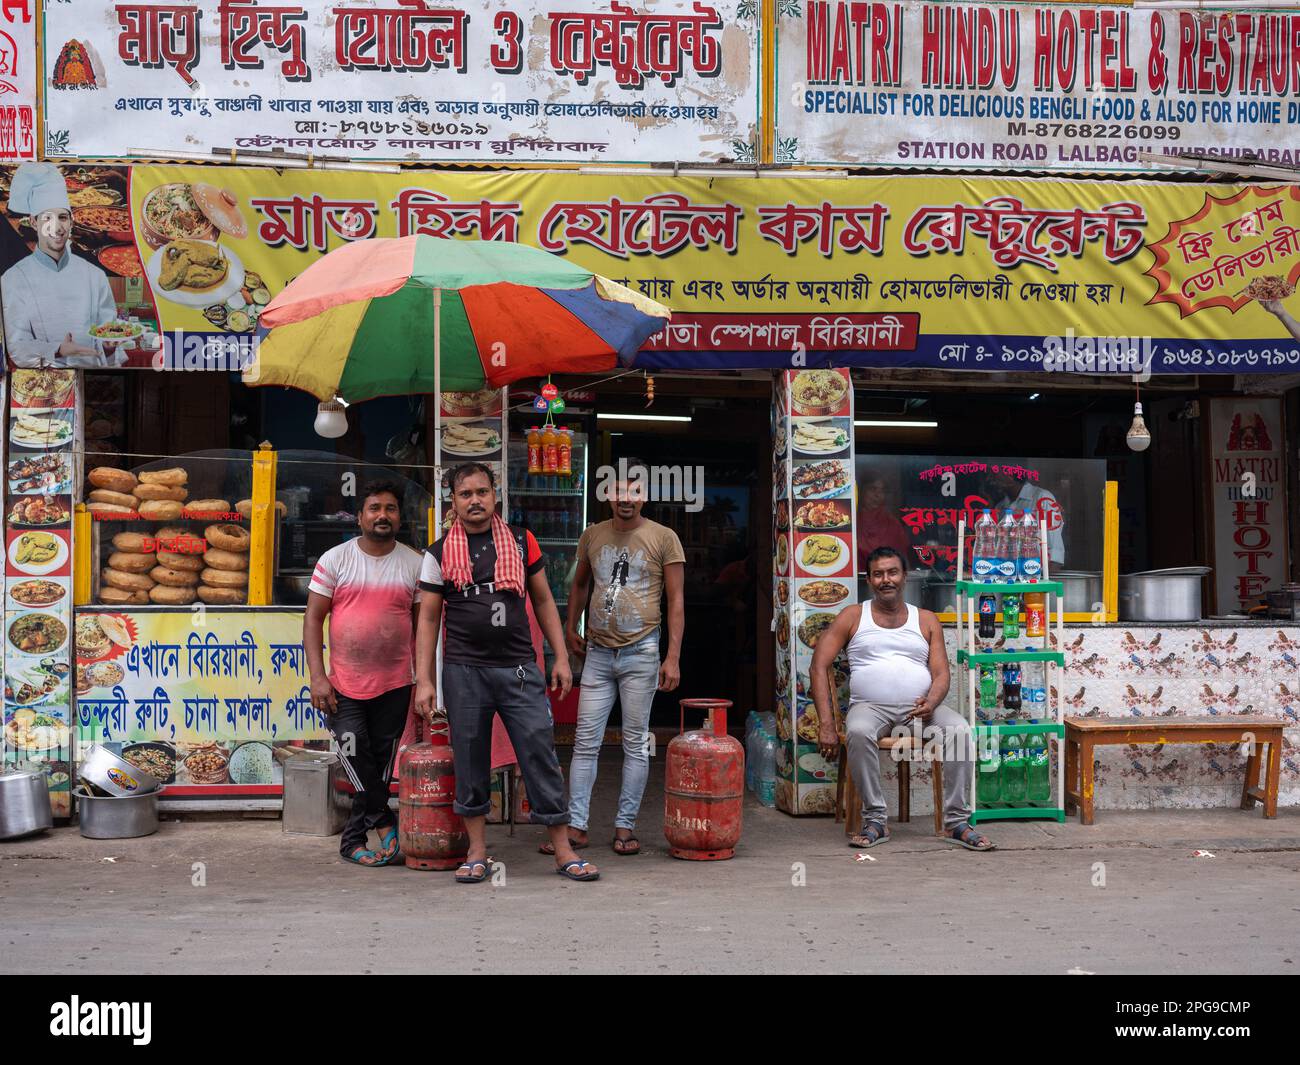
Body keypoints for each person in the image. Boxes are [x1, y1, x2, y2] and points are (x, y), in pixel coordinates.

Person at [414, 463, 597, 883]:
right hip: (464, 672)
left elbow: (545, 601)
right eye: (465, 494)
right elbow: (427, 620)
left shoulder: (520, 541)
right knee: (471, 758)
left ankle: (563, 849)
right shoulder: (438, 553)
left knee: (539, 754)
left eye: (482, 491)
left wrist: (561, 657)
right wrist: (424, 679)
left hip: (518, 669)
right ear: (453, 501)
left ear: (496, 495)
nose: (475, 500)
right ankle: (477, 852)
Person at [810, 546, 994, 852]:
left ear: (904, 576)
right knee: (857, 731)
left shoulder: (926, 619)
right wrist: (827, 724)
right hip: (870, 708)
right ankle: (876, 820)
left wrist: (931, 702)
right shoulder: (854, 616)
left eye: (892, 572)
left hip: (921, 709)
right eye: (878, 574)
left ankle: (957, 822)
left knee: (961, 731)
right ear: (869, 580)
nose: (886, 580)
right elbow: (819, 665)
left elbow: (941, 674)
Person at [560, 458, 685, 856]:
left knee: (634, 743)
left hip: (643, 650)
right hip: (597, 652)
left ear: (644, 495)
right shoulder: (592, 535)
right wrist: (569, 629)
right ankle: (576, 828)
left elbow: (676, 600)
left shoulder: (664, 537)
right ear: (607, 495)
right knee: (585, 743)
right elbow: (579, 585)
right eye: (617, 491)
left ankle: (624, 828)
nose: (625, 498)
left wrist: (673, 657)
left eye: (633, 491)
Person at [305, 480, 424, 867]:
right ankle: (387, 824)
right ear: (360, 516)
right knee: (358, 759)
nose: (382, 515)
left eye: (390, 508)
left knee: (373, 767)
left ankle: (352, 841)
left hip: (395, 685)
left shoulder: (415, 563)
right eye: (374, 508)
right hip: (343, 685)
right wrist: (318, 677)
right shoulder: (335, 559)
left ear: (399, 517)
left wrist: (424, 679)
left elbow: (425, 628)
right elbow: (313, 619)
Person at [1, 162, 125, 368]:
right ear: (33, 223)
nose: (57, 228)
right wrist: (58, 349)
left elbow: (112, 352)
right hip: (36, 387)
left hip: (88, 380)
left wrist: (110, 347)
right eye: (48, 218)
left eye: (63, 218)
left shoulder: (95, 276)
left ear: (71, 222)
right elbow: (17, 347)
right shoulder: (14, 278)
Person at [986, 468, 1064, 565]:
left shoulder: (1042, 498)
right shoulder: (1000, 507)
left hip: (1036, 575)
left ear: (1010, 474)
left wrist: (1047, 578)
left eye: (994, 473)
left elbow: (1054, 550)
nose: (990, 479)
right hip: (1007, 573)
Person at [856, 467, 911, 562]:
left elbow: (903, 561)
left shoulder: (892, 524)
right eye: (872, 489)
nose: (877, 495)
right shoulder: (851, 521)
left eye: (882, 491)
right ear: (861, 491)